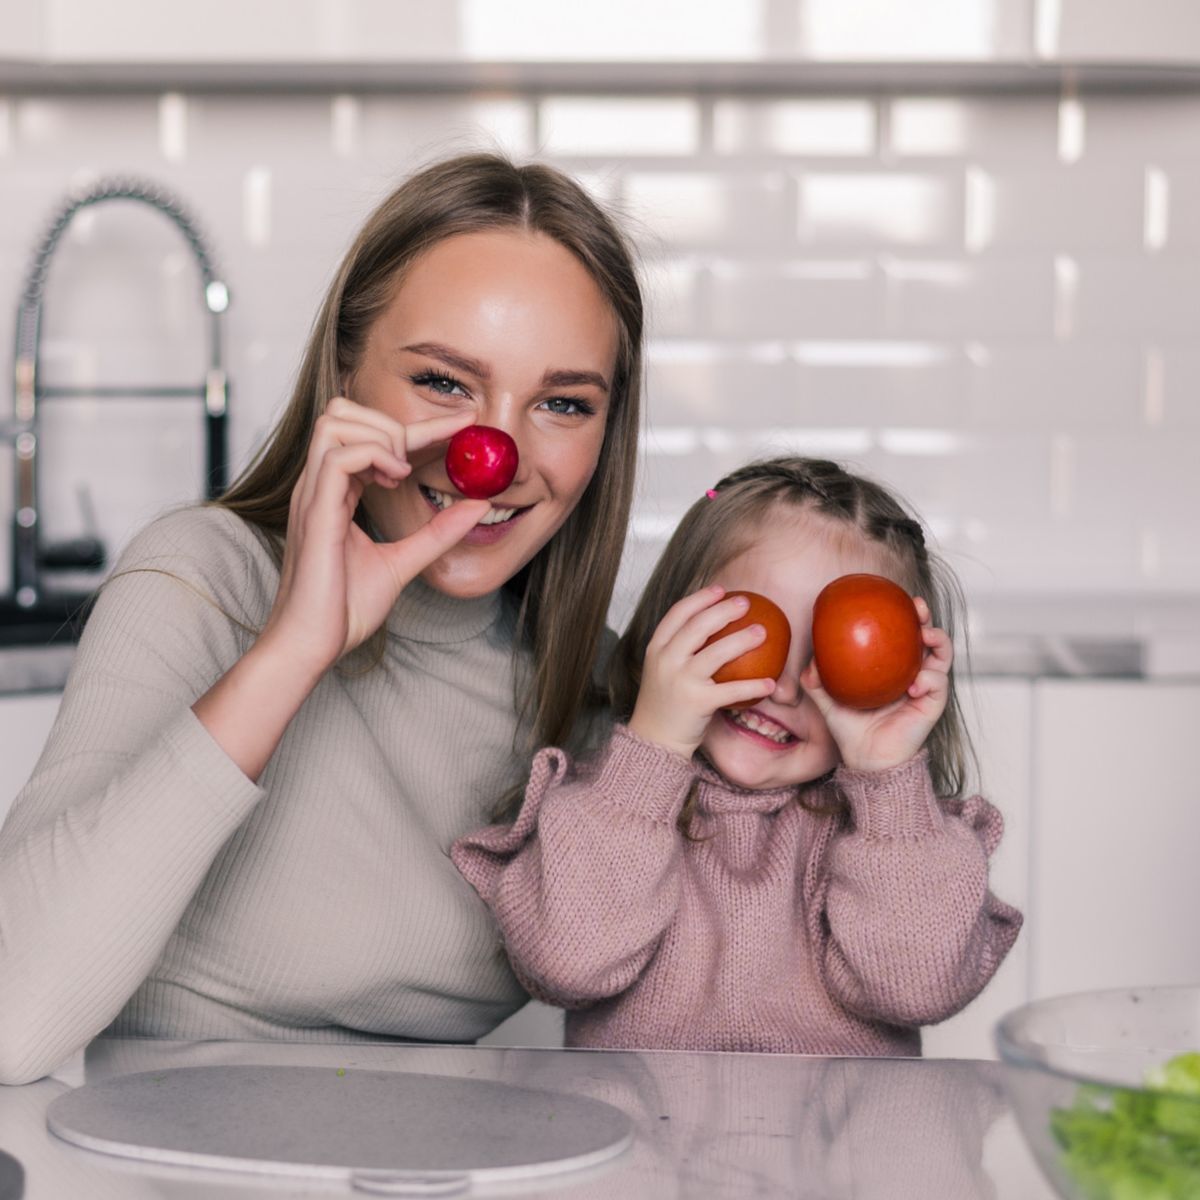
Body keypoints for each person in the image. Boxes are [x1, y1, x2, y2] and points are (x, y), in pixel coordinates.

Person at [0, 153, 644, 1086]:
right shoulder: (199, 578)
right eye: (443, 383)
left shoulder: (595, 699)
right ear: (346, 371)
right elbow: (10, 1015)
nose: (492, 458)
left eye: (561, 403)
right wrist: (294, 650)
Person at [452, 456, 1023, 1056]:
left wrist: (886, 779)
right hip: (648, 1146)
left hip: (839, 1151)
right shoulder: (610, 806)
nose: (782, 688)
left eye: (830, 658)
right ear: (674, 624)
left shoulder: (898, 838)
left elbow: (918, 989)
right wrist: (654, 749)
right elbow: (566, 965)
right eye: (753, 632)